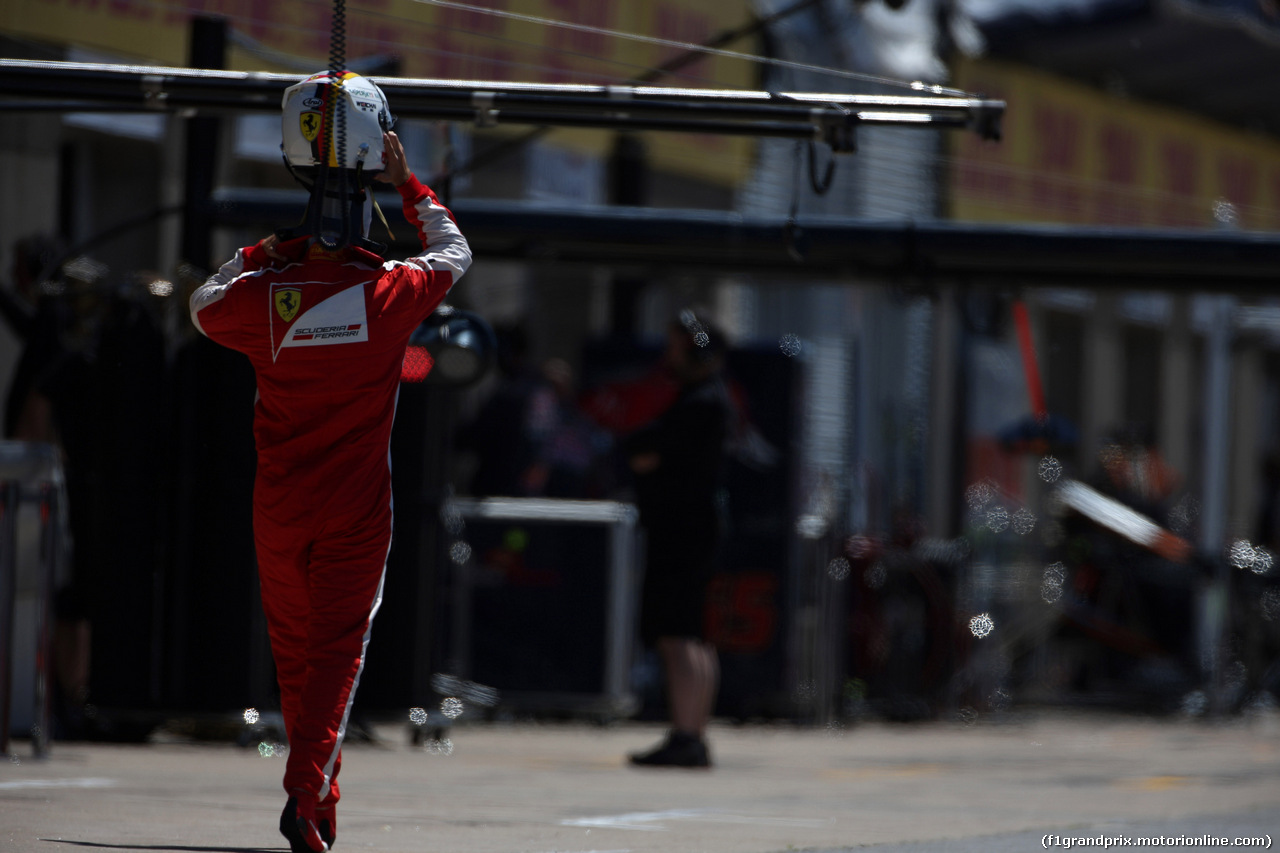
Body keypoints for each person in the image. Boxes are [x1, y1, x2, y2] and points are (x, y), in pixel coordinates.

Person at [189, 70, 471, 852]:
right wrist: (406, 181)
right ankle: (307, 795)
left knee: (294, 655)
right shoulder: (390, 293)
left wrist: (265, 248)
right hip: (354, 510)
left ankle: (320, 799)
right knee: (337, 657)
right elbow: (455, 249)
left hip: (278, 503)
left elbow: (201, 303)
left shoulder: (261, 292)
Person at [625, 308, 732, 768]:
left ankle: (687, 733)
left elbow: (647, 453)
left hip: (682, 528)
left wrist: (647, 458)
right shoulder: (703, 399)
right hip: (690, 526)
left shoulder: (701, 402)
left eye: (676, 346)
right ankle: (691, 732)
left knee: (678, 636)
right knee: (691, 635)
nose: (669, 355)